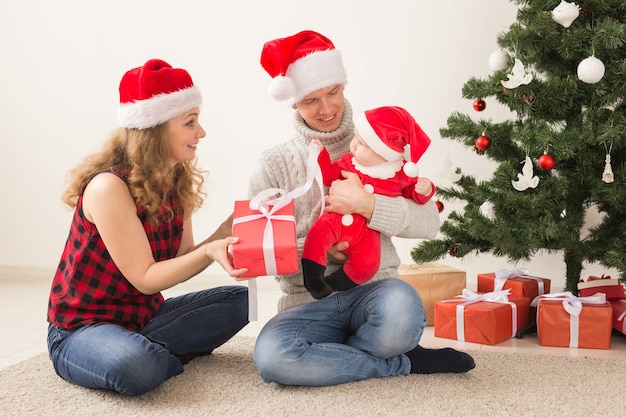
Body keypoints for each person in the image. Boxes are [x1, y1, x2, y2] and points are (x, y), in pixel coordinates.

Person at [251, 30, 475, 387]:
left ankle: (344, 357)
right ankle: (397, 362)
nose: (326, 109)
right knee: (273, 359)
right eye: (311, 100)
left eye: (333, 93)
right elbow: (261, 253)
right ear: (293, 102)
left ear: (343, 86)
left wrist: (368, 205)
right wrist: (325, 253)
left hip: (377, 291)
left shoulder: (380, 140)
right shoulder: (273, 163)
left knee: (401, 314)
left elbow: (429, 222)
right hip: (306, 302)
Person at [47, 59, 249, 396]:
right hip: (81, 328)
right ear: (155, 130)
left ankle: (147, 350)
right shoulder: (108, 188)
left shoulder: (176, 177)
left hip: (143, 319)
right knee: (137, 366)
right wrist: (212, 252)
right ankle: (143, 356)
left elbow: (183, 257)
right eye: (190, 122)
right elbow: (145, 277)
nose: (201, 133)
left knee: (241, 301)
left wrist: (224, 232)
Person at [302, 105, 436, 299]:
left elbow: (414, 196)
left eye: (362, 144)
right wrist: (319, 155)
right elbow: (328, 173)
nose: (353, 145)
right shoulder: (349, 162)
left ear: (384, 154)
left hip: (366, 232)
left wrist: (425, 190)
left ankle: (335, 283)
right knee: (318, 235)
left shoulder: (400, 175)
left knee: (368, 263)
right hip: (335, 221)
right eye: (356, 138)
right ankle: (313, 279)